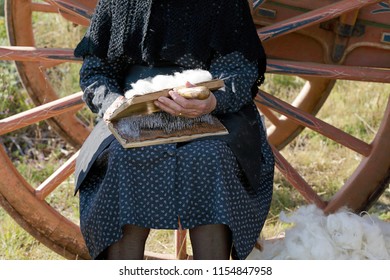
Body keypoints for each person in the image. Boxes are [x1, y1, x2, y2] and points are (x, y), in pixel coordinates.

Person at [73, 0, 274, 260]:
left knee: (211, 158)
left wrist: (214, 99)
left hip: (210, 110)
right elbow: (96, 71)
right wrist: (113, 103)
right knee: (122, 159)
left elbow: (238, 68)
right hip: (134, 114)